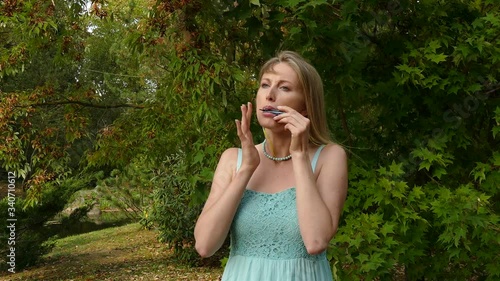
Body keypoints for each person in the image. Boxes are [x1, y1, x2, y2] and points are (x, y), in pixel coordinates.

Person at [194, 51, 348, 281]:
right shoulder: (232, 159)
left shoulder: (330, 157)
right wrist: (246, 169)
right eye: (265, 85)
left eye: (284, 88)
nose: (270, 96)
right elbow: (205, 246)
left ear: (305, 106)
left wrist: (299, 155)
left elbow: (316, 242)